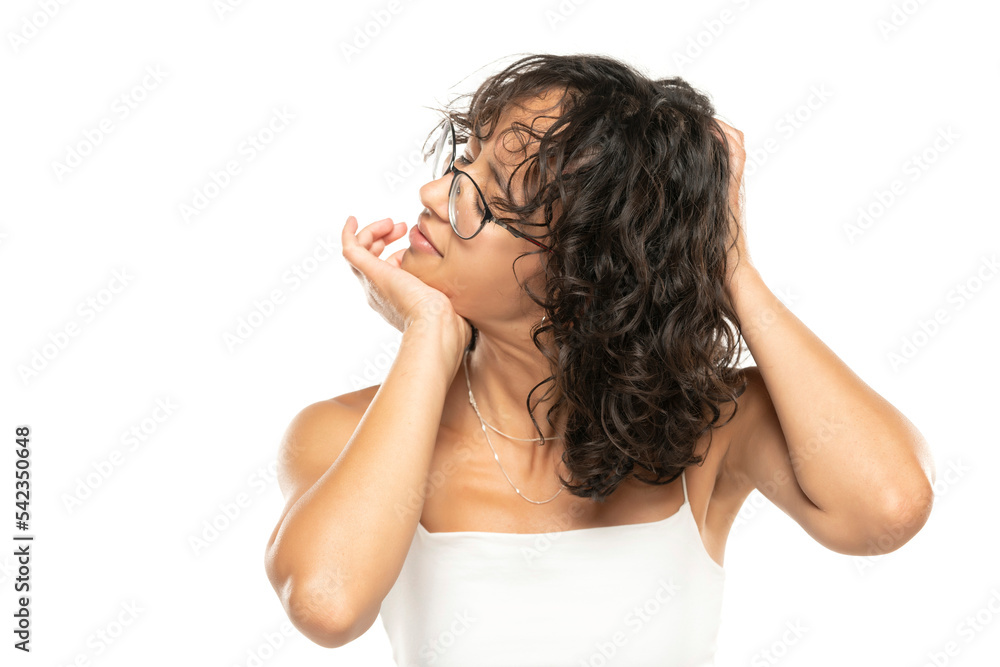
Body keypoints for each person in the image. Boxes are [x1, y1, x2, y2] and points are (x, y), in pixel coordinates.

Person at [264, 53, 936, 665]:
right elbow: (327, 603)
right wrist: (425, 335)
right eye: (461, 164)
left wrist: (728, 264)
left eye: (488, 197)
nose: (433, 197)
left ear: (582, 269)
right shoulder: (346, 434)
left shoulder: (712, 426)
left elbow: (888, 506)